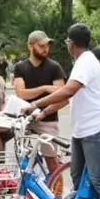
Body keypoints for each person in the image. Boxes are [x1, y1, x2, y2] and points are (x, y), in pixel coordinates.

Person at [22, 23, 100, 199]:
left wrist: (36, 104)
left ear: (70, 44)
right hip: (82, 129)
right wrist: (43, 113)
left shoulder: (86, 61)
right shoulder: (83, 62)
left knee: (97, 177)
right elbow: (69, 95)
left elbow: (68, 90)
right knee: (78, 175)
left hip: (95, 128)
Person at [13, 30, 67, 179]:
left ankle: (55, 197)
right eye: (41, 45)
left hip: (47, 118)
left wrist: (44, 111)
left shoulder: (54, 67)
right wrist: (44, 88)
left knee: (52, 161)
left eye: (47, 45)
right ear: (30, 46)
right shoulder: (20, 67)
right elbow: (21, 93)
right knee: (20, 160)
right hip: (25, 119)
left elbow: (62, 96)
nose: (45, 49)